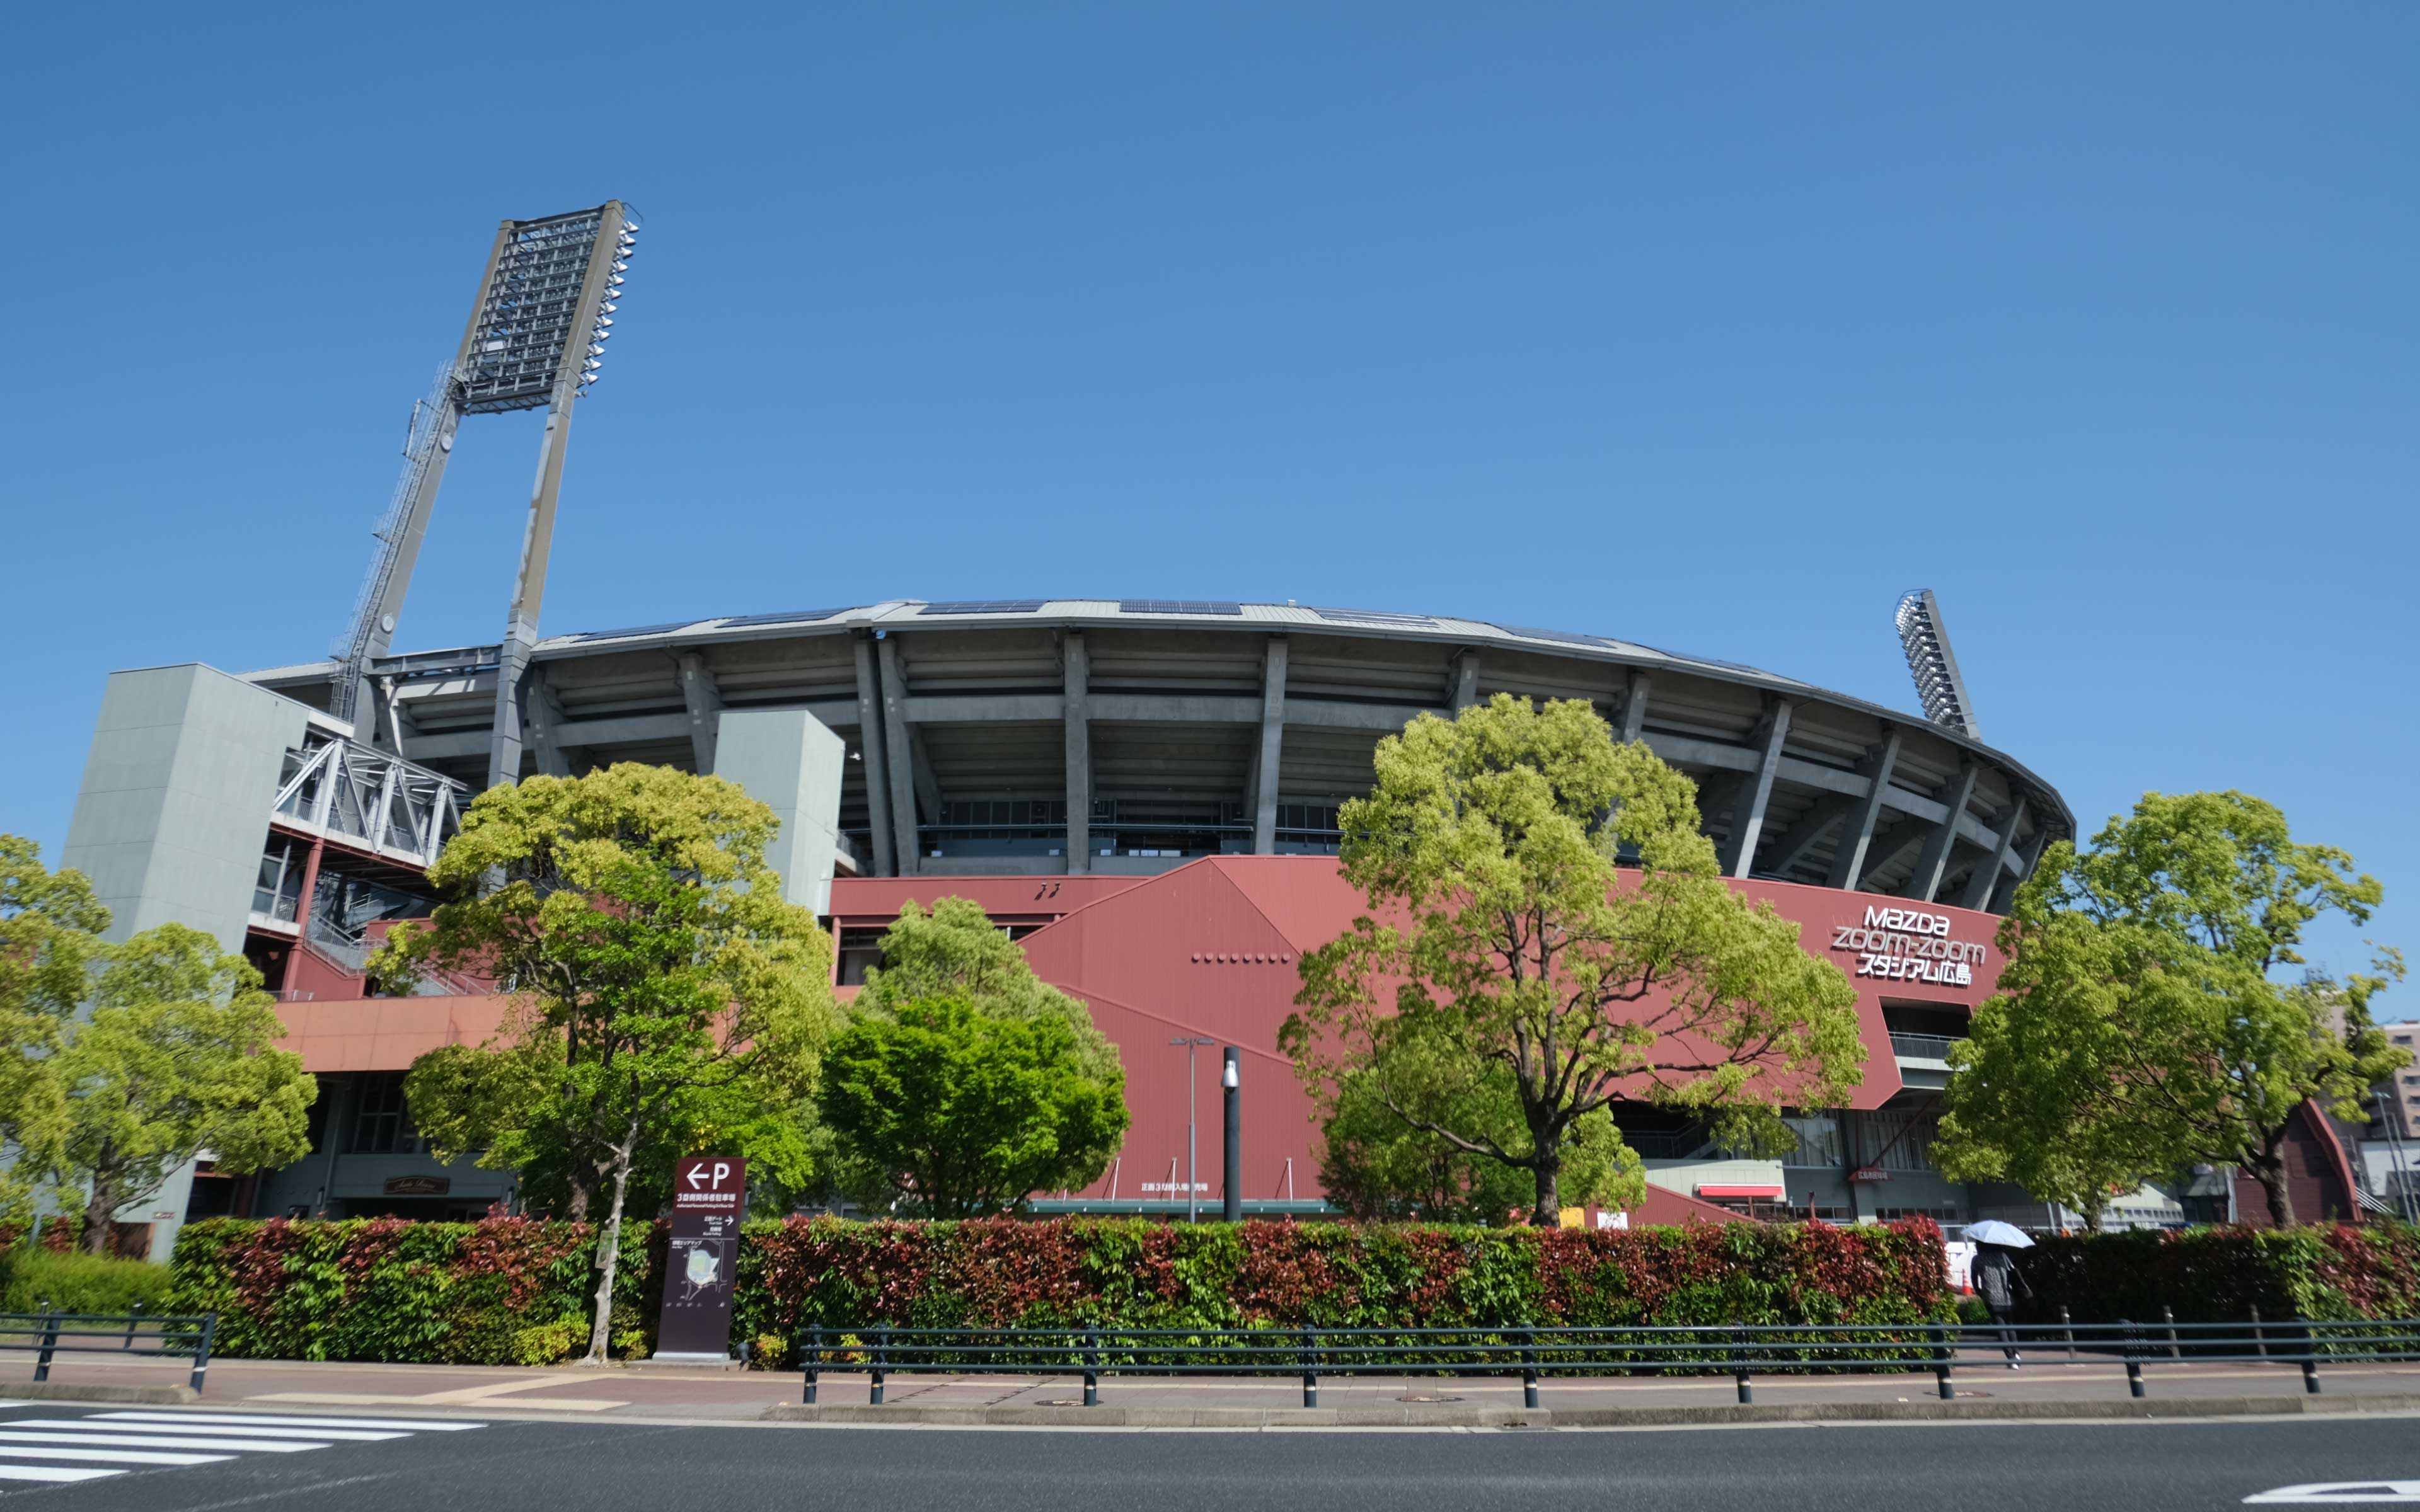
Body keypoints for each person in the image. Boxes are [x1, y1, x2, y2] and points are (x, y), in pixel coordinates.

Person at [1973, 1244, 2032, 1367]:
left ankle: (2010, 1359)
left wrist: (1979, 1291)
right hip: (2007, 1296)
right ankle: (2017, 1355)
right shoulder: (2003, 1256)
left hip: (1990, 1296)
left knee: (2001, 1328)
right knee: (2010, 1326)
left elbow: (1974, 1278)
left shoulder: (1977, 1259)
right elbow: (2012, 1272)